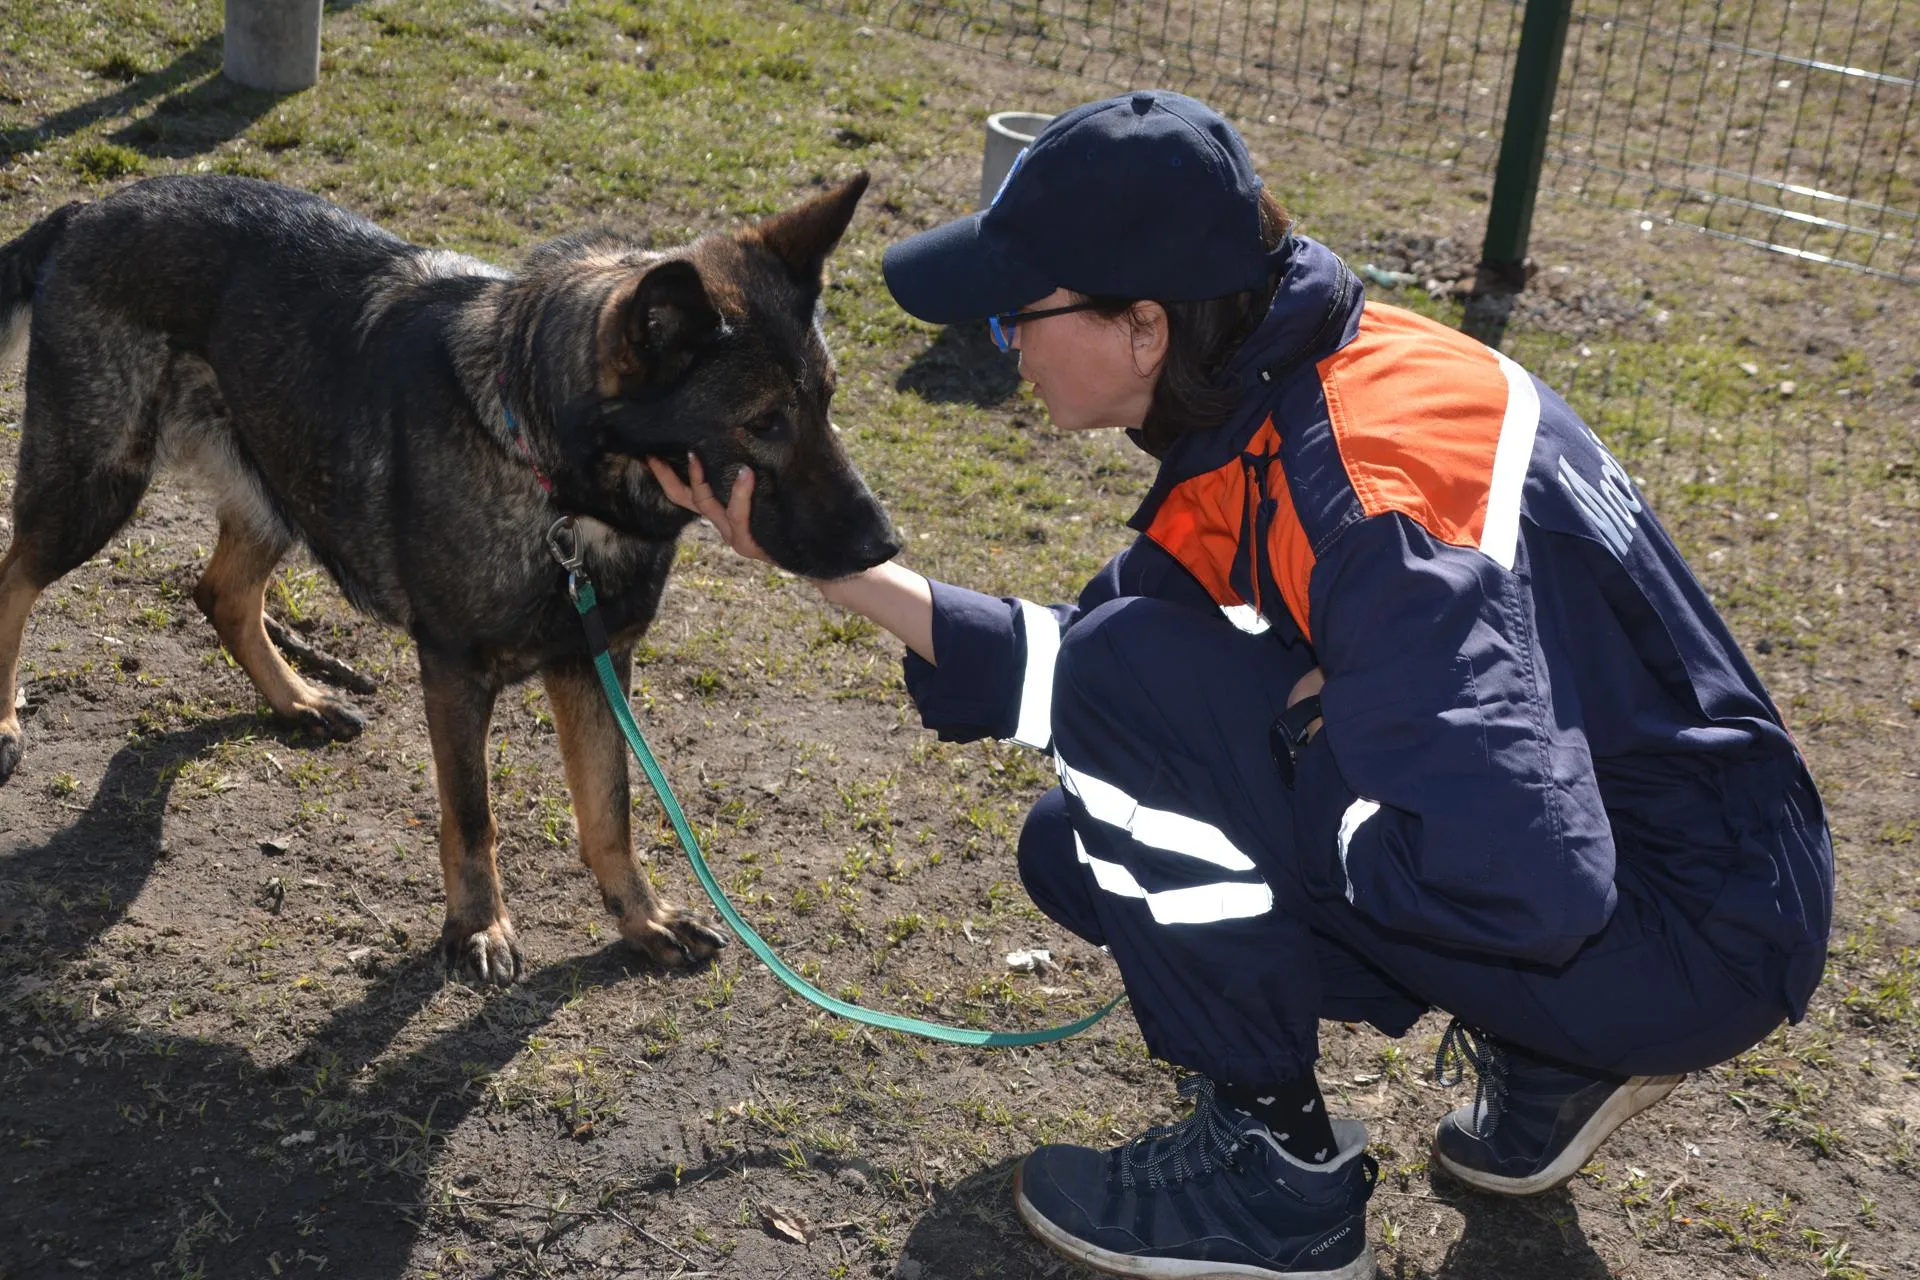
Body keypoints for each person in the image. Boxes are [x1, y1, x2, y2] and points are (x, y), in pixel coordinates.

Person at [647, 91, 1833, 1280]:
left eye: (1021, 311)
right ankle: (1559, 1052)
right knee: (1081, 839)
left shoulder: (1363, 500)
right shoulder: (1288, 388)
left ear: (1145, 328)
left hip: (1681, 925)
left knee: (1156, 728)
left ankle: (1278, 1182)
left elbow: (1529, 878)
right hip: (1681, 862)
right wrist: (827, 560)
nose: (1002, 341)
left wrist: (1312, 733)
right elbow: (1092, 667)